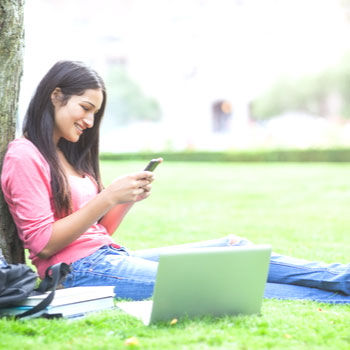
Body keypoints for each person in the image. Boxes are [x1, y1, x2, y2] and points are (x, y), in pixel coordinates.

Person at [1, 60, 349, 303]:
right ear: (56, 95)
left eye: (96, 113)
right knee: (221, 282)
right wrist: (106, 198)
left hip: (106, 258)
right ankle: (334, 299)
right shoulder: (24, 155)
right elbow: (44, 244)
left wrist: (124, 199)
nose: (90, 121)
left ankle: (342, 279)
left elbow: (99, 232)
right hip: (78, 272)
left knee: (235, 246)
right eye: (85, 107)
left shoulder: (69, 154)